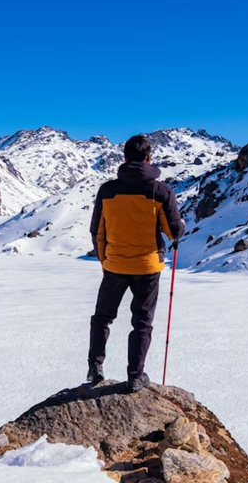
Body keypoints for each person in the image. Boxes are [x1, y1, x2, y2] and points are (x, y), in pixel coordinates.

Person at [87, 134, 185, 392]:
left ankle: (95, 368)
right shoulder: (160, 191)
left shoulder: (108, 190)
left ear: (125, 158)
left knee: (102, 318)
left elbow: (97, 230)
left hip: (115, 265)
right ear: (149, 158)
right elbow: (173, 232)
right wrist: (182, 226)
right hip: (147, 267)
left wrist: (105, 260)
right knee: (142, 323)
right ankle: (135, 376)